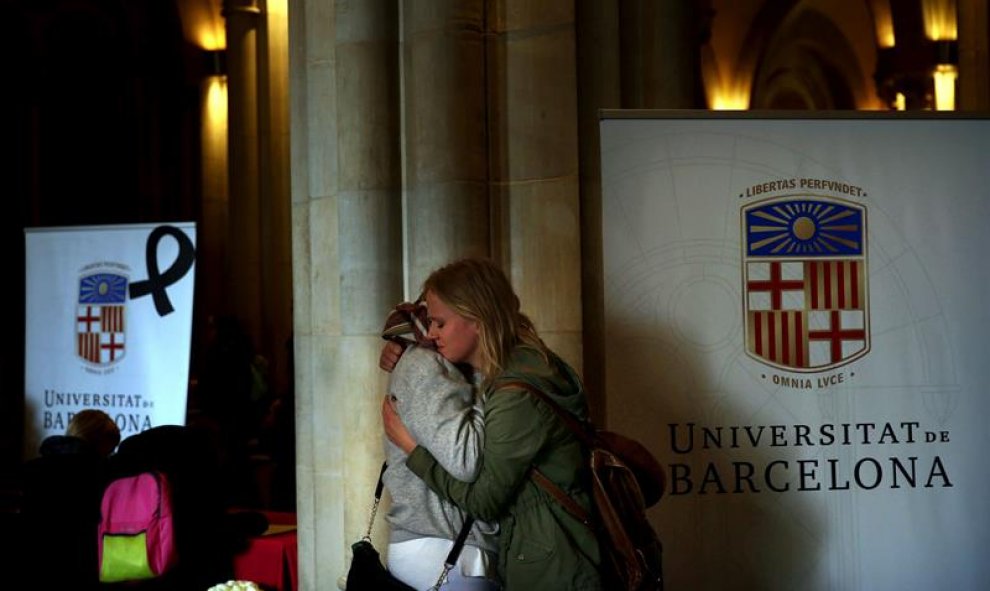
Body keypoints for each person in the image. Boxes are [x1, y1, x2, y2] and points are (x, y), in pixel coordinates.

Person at [381, 258, 602, 590]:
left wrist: (414, 450)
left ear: (478, 320)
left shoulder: (516, 391)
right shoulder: (528, 364)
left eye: (440, 323)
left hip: (551, 560)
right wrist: (403, 340)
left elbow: (484, 500)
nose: (432, 334)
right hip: (547, 551)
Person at [379, 300, 499, 590]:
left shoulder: (438, 363)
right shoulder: (426, 364)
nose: (432, 332)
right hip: (444, 544)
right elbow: (467, 460)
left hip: (442, 543)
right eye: (432, 322)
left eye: (440, 323)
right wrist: (491, 381)